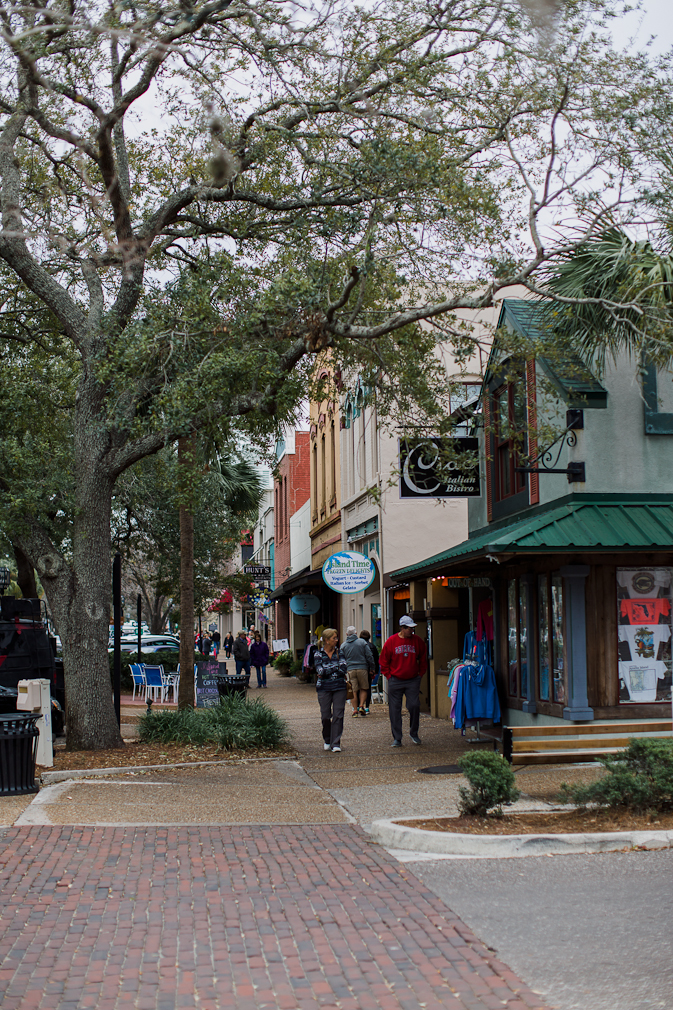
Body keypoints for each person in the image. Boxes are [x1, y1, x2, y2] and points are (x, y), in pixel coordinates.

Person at [379, 615, 427, 747]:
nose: (411, 631)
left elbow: (423, 657)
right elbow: (383, 660)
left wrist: (420, 674)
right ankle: (397, 737)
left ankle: (414, 732)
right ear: (402, 628)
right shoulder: (391, 641)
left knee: (414, 705)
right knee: (394, 710)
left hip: (412, 679)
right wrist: (389, 676)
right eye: (409, 629)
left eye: (412, 629)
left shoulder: (417, 641)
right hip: (395, 679)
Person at [314, 627, 348, 753]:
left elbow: (344, 668)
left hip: (339, 687)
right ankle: (327, 739)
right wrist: (335, 668)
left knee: (338, 715)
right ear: (327, 640)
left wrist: (328, 670)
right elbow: (320, 671)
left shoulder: (340, 652)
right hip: (324, 688)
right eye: (334, 638)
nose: (336, 640)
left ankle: (336, 743)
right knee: (325, 716)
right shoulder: (318, 654)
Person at [340, 625, 374, 717]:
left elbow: (341, 660)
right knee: (363, 688)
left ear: (347, 634)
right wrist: (372, 668)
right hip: (362, 668)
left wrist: (343, 671)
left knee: (353, 691)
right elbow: (369, 656)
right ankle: (362, 705)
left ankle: (355, 710)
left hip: (350, 670)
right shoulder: (362, 642)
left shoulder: (343, 646)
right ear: (355, 633)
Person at [359, 629, 379, 713]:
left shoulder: (358, 646)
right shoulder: (372, 646)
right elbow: (375, 659)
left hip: (360, 668)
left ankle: (358, 705)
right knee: (367, 688)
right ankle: (366, 706)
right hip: (369, 670)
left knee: (359, 688)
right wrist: (375, 670)